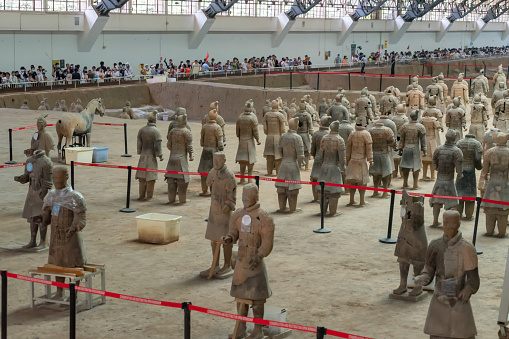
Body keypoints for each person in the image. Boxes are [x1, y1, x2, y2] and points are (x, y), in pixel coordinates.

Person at [415, 210, 479, 339]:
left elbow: (473, 278)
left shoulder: (467, 248)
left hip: (459, 298)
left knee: (462, 334)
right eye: (446, 223)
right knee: (437, 333)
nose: (449, 226)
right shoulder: (435, 245)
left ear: (459, 224)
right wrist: (424, 276)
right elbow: (429, 268)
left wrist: (468, 289)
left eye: (453, 223)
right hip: (439, 296)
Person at [222, 184, 275, 339]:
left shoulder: (264, 218)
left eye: (248, 198)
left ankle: (258, 330)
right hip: (242, 260)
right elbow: (234, 231)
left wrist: (259, 255)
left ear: (256, 198)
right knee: (240, 297)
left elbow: (267, 242)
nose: (245, 201)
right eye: (243, 198)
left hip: (255, 262)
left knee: (257, 299)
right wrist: (229, 237)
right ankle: (240, 328)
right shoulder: (238, 215)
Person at [41, 166, 87, 300]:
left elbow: (81, 217)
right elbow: (47, 216)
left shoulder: (75, 197)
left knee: (74, 266)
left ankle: (74, 294)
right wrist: (42, 219)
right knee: (58, 263)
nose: (56, 181)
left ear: (66, 177)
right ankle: (59, 292)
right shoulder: (51, 196)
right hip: (56, 236)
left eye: (59, 177)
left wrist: (74, 227)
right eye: (54, 178)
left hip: (71, 237)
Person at [136, 111, 163, 201]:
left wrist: (139, 151)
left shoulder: (142, 130)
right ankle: (149, 196)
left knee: (142, 177)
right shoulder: (156, 131)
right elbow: (157, 146)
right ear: (155, 120)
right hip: (151, 156)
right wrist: (160, 155)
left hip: (143, 156)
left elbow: (139, 142)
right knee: (151, 178)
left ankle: (141, 195)